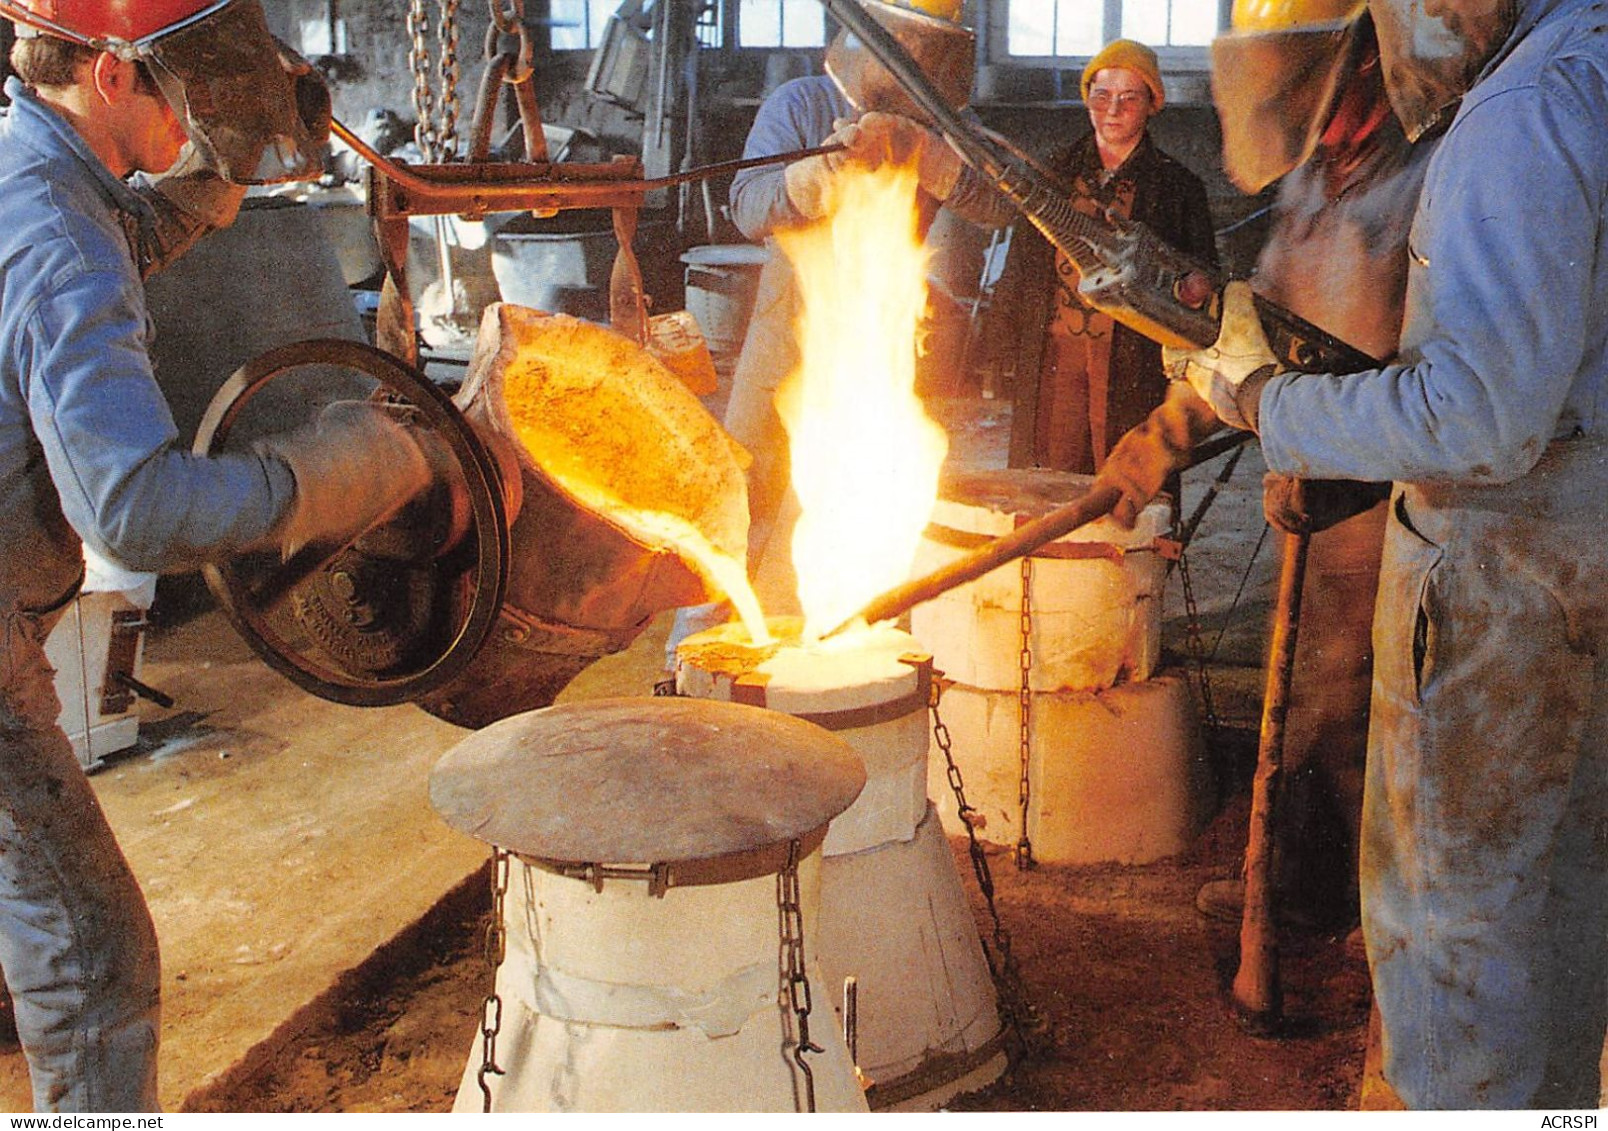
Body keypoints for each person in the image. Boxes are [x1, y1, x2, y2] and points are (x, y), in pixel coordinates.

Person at [0, 0, 452, 1110]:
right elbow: (137, 512)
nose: (208, 108)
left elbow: (113, 232)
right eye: (191, 82)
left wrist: (203, 193)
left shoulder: (32, 169)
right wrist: (347, 469)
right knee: (96, 954)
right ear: (110, 74)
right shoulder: (55, 235)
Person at [1169, 0, 1608, 1108]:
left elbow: (1479, 416)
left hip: (1505, 573)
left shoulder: (1516, 115)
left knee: (1458, 919)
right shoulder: (1590, 68)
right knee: (1563, 900)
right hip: (1576, 554)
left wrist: (1275, 409)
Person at [1180, 0, 1440, 934]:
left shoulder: (1424, 180)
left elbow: (1446, 390)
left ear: (1360, 65)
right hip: (1313, 489)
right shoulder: (1312, 184)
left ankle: (1391, 941)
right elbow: (1262, 323)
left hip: (1397, 500)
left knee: (1372, 715)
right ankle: (1292, 886)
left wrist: (1335, 455)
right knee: (1303, 701)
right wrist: (1166, 434)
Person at [663, 0, 1011, 666]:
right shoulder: (802, 103)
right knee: (741, 498)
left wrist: (930, 157)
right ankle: (688, 657)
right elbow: (745, 204)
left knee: (855, 497)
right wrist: (823, 173)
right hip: (787, 329)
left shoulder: (940, 122)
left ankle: (827, 659)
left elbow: (1000, 202)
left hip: (878, 339)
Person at [1004, 39, 1218, 477]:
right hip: (1055, 353)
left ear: (1151, 104)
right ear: (1087, 100)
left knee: (1124, 472)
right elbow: (1020, 268)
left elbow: (1202, 278)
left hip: (1133, 361)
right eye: (1101, 95)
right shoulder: (1051, 173)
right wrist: (1002, 344)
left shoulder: (1178, 187)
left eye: (1128, 97)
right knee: (1049, 469)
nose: (1113, 109)